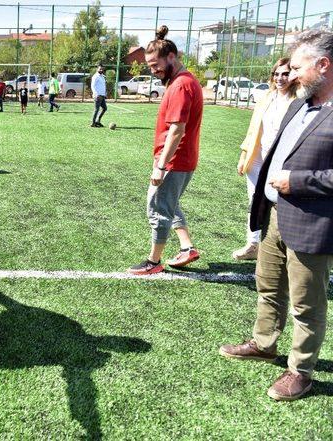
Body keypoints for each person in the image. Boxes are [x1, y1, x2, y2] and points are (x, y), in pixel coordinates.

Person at [219, 29, 333, 402]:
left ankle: (300, 372)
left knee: (306, 303)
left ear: (323, 65)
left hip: (312, 224)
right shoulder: (302, 103)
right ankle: (264, 343)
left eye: (298, 67)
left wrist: (296, 180)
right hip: (275, 215)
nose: (291, 74)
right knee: (267, 286)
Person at [127, 25, 203, 276]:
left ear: (172, 57)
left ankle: (153, 261)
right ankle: (187, 247)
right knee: (169, 203)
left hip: (174, 160)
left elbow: (177, 130)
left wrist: (161, 166)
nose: (153, 70)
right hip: (178, 159)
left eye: (155, 64)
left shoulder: (181, 85)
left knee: (158, 207)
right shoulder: (184, 80)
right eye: (149, 66)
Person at [232, 58, 298, 260]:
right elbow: (253, 130)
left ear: (294, 76)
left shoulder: (299, 101)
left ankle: (284, 248)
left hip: (281, 162)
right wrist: (244, 156)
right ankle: (253, 245)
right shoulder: (267, 98)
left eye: (285, 74)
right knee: (254, 202)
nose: (280, 78)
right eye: (276, 74)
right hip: (258, 159)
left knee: (279, 204)